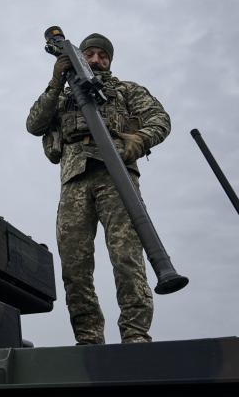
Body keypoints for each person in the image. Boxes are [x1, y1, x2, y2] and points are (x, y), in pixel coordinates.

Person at [25, 33, 170, 344]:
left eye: (102, 55)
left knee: (126, 256)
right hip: (74, 179)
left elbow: (159, 119)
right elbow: (34, 124)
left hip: (116, 175)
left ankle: (135, 334)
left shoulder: (125, 90)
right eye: (89, 53)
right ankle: (89, 337)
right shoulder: (62, 96)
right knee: (74, 263)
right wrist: (55, 81)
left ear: (109, 60)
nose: (95, 59)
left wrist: (140, 140)